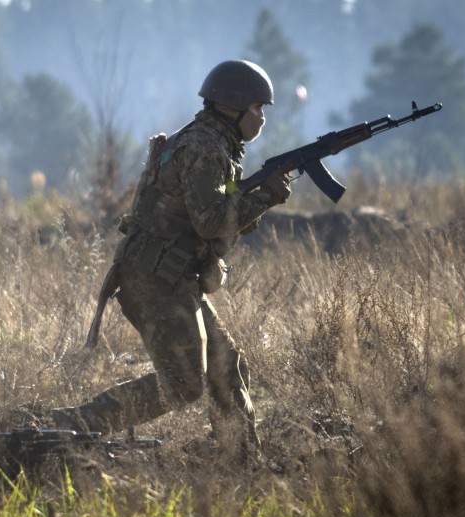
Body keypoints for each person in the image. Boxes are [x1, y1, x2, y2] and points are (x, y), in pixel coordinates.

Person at [51, 59, 292, 463]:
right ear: (232, 107)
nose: (262, 117)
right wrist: (266, 195)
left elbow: (213, 213)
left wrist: (258, 195)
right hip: (153, 277)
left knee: (225, 365)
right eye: (257, 108)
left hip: (170, 273)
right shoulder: (204, 148)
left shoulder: (211, 143)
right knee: (184, 384)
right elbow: (212, 221)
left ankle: (242, 460)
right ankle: (74, 426)